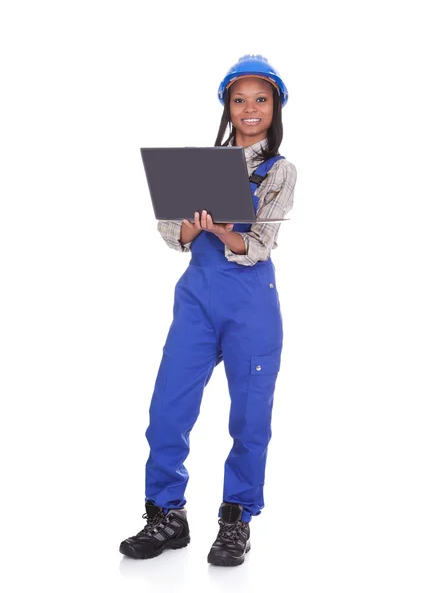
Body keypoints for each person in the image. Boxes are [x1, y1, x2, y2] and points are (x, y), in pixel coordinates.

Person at [120, 54, 297, 567]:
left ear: (275, 106)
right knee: (167, 409)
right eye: (239, 99)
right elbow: (170, 232)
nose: (249, 108)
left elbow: (262, 242)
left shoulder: (279, 170)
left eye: (260, 99)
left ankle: (236, 520)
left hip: (251, 308)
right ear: (227, 105)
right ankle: (166, 516)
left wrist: (225, 233)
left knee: (249, 419)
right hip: (196, 302)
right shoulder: (200, 164)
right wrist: (198, 225)